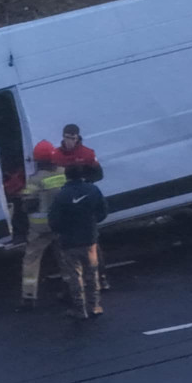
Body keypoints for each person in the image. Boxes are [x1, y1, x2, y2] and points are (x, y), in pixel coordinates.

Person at [51, 123, 110, 291]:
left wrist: (84, 181)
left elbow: (99, 174)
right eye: (67, 138)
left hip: (83, 201)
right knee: (68, 248)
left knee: (92, 245)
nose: (69, 142)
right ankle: (74, 283)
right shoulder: (56, 155)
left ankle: (101, 278)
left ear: (77, 138)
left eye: (73, 138)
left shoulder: (87, 154)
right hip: (66, 202)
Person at [49, 163, 108, 319]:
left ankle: (80, 309)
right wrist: (92, 223)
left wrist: (62, 231)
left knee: (75, 276)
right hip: (89, 239)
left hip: (69, 242)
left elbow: (54, 221)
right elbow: (103, 212)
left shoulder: (61, 196)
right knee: (92, 273)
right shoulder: (93, 190)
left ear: (66, 176)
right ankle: (94, 306)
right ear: (82, 175)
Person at [17, 140, 66, 308]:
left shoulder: (35, 180)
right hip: (60, 225)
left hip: (39, 228)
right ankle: (70, 288)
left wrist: (23, 198)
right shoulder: (64, 174)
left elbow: (28, 205)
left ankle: (29, 295)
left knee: (31, 260)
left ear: (38, 161)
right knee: (65, 257)